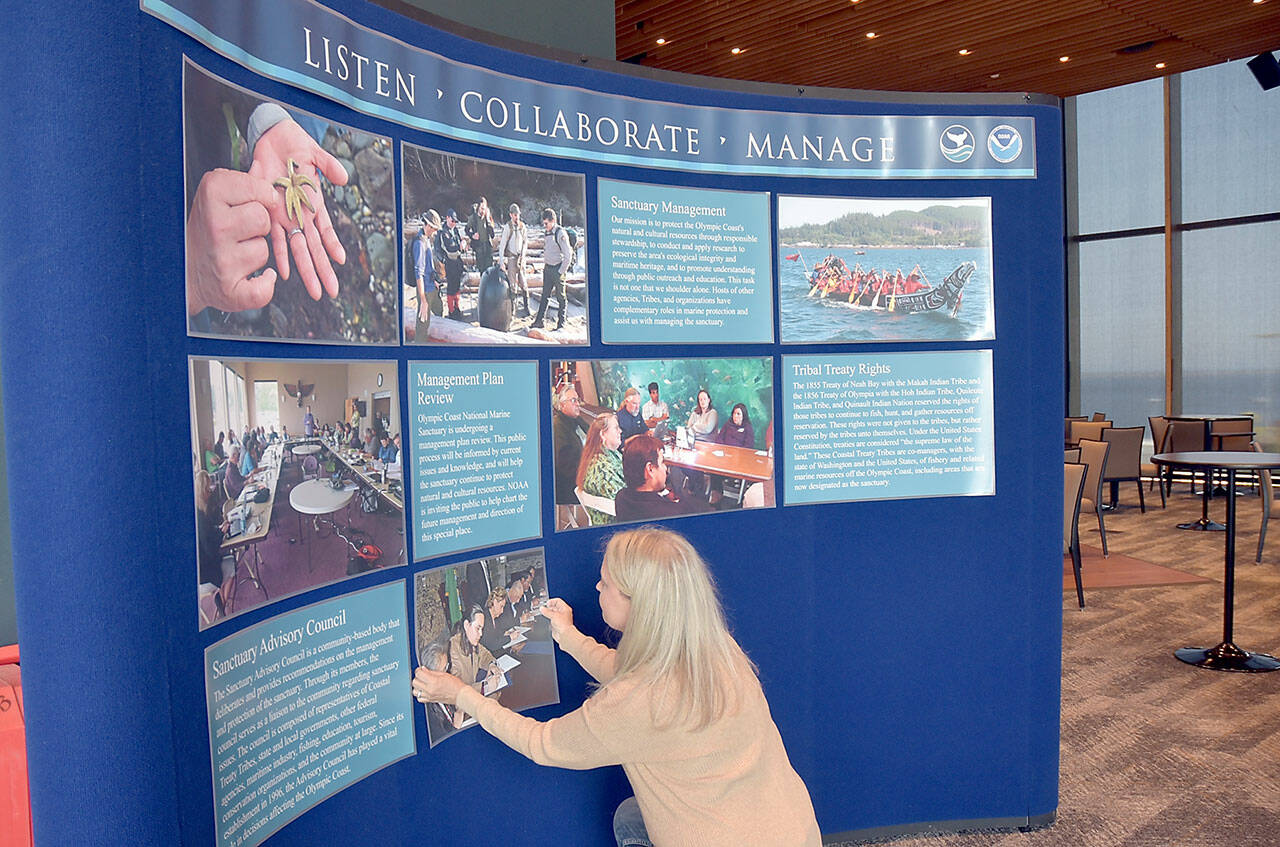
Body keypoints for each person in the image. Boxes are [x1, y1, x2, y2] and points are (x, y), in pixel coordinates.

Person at [412, 527, 821, 847]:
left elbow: (542, 743)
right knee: (630, 814)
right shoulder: (715, 646)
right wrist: (571, 637)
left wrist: (462, 695)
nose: (597, 588)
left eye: (605, 583)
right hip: (794, 829)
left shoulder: (636, 702)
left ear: (638, 602)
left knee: (628, 820)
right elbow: (637, 674)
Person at [614, 435, 708, 521]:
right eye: (662, 462)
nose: (665, 468)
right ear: (650, 469)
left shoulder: (621, 498)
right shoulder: (676, 513)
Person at [575, 413, 625, 526]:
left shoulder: (606, 454)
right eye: (616, 428)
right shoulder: (601, 468)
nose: (620, 431)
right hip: (616, 525)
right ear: (603, 434)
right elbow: (623, 501)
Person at [531, 208, 571, 330]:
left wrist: (560, 272)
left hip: (558, 269)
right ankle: (539, 321)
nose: (545, 226)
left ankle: (561, 323)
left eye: (546, 223)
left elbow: (568, 255)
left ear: (553, 221)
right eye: (543, 223)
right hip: (548, 268)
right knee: (545, 296)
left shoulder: (560, 233)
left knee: (561, 297)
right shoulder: (547, 233)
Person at [552, 384, 587, 512]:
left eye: (578, 400)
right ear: (562, 405)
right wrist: (587, 474)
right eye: (573, 400)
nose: (577, 404)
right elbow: (566, 466)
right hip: (569, 486)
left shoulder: (577, 420)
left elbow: (593, 436)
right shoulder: (558, 427)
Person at [420, 641, 464, 738]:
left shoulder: (444, 687)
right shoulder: (428, 712)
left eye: (447, 666)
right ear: (431, 674)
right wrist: (456, 727)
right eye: (444, 669)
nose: (447, 673)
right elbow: (442, 741)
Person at [412, 210, 444, 341]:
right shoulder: (420, 243)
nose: (435, 231)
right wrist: (423, 300)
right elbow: (418, 273)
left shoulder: (426, 239)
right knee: (422, 325)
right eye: (434, 228)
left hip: (432, 286)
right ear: (429, 226)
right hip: (425, 291)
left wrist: (435, 280)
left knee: (439, 309)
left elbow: (428, 267)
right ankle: (419, 347)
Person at [497, 202, 529, 315]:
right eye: (515, 215)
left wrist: (523, 255)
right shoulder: (508, 227)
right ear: (511, 215)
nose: (517, 217)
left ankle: (526, 307)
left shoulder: (522, 227)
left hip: (521, 259)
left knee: (523, 283)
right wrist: (501, 261)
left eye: (518, 215)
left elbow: (525, 242)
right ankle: (513, 309)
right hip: (511, 258)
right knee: (512, 285)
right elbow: (502, 245)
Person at [436, 208, 466, 320]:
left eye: (455, 221)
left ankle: (457, 307)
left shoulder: (455, 230)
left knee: (457, 286)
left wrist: (463, 246)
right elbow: (449, 248)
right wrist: (460, 247)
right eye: (452, 221)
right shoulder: (443, 232)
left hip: (457, 262)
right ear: (447, 218)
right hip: (449, 262)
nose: (454, 223)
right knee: (451, 287)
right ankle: (451, 310)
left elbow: (458, 243)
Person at [467, 196, 495, 274]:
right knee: (482, 270)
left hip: (487, 246)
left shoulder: (488, 218)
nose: (483, 211)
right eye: (481, 208)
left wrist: (489, 221)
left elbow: (492, 235)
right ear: (478, 207)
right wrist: (472, 235)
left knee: (490, 269)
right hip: (479, 247)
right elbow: (466, 229)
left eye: (484, 208)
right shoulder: (473, 218)